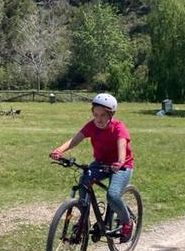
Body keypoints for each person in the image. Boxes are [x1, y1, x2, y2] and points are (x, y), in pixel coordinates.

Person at [50, 93, 135, 242]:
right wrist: (58, 151)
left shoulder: (118, 127)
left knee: (113, 196)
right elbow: (74, 140)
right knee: (84, 181)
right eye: (96, 114)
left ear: (111, 115)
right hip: (101, 163)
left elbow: (122, 145)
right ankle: (84, 220)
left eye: (103, 115)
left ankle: (127, 223)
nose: (99, 119)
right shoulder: (91, 126)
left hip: (122, 166)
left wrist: (120, 162)